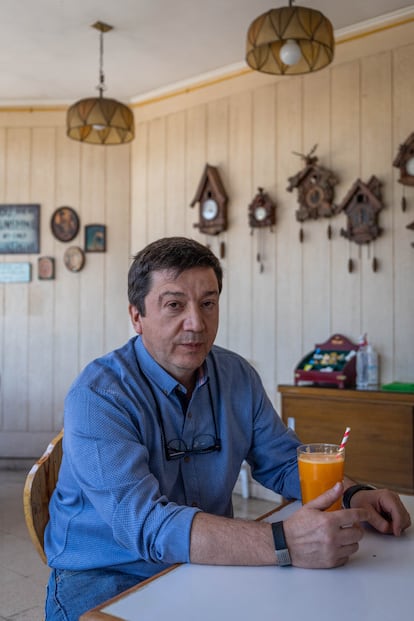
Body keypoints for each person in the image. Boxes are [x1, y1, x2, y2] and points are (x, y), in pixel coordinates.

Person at [44, 236, 411, 620]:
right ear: (136, 316)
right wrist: (284, 541)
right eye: (174, 305)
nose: (196, 323)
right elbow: (146, 525)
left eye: (208, 303)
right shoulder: (99, 395)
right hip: (107, 575)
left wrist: (354, 495)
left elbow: (283, 461)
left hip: (206, 564)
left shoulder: (236, 375)